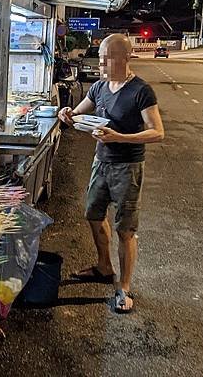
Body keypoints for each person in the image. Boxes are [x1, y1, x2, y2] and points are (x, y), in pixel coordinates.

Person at [58, 34, 164, 314]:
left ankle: (124, 287)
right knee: (93, 214)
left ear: (126, 58)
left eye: (108, 58)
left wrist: (120, 137)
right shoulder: (100, 87)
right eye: (101, 57)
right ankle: (104, 266)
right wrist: (68, 114)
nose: (102, 63)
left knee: (125, 229)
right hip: (101, 162)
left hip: (127, 167)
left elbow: (157, 132)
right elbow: (79, 114)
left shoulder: (141, 91)